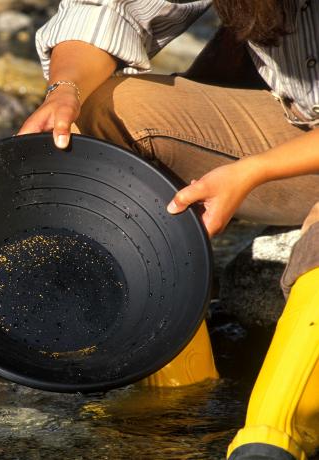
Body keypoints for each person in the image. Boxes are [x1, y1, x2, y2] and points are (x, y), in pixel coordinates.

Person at [18, 1, 319, 458]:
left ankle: (277, 434)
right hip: (297, 125)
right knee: (100, 110)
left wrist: (253, 172)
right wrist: (65, 90)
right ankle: (175, 399)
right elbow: (109, 10)